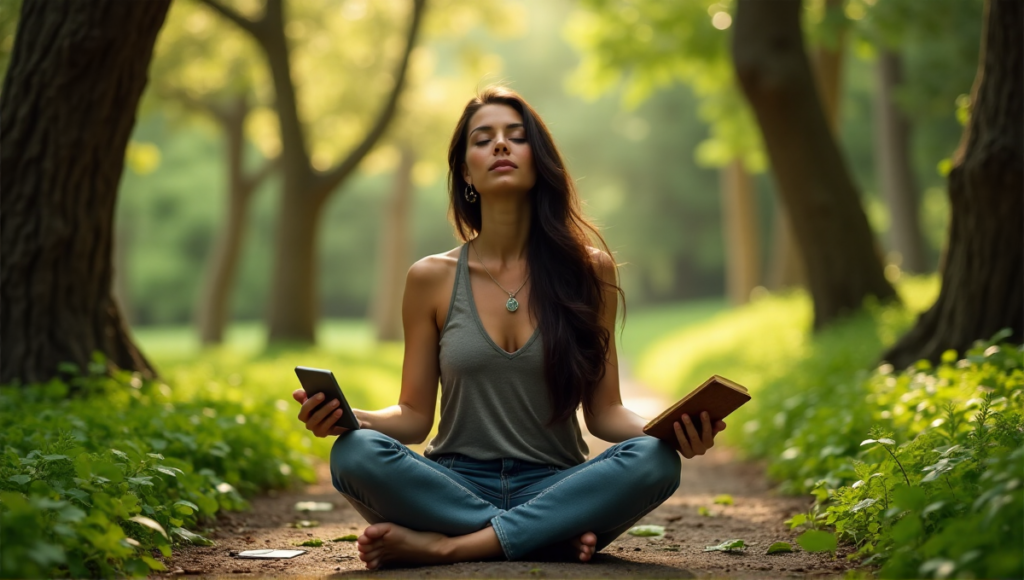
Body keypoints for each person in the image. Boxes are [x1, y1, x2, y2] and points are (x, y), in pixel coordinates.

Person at [292, 86, 726, 570]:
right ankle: (544, 535)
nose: (500, 145)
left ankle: (451, 545)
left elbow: (605, 413)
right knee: (354, 453)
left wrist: (669, 430)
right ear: (465, 171)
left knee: (655, 461)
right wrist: (351, 417)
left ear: (538, 160)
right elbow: (415, 417)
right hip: (453, 483)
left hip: (555, 482)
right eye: (483, 138)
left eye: (515, 137)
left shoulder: (591, 270)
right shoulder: (430, 278)